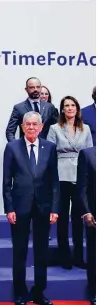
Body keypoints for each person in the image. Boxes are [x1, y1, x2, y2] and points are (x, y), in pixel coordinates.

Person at [3, 111, 59, 305]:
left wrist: (55, 208)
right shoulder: (12, 147)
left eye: (35, 124)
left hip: (44, 206)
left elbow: (55, 182)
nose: (32, 128)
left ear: (41, 127)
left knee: (41, 252)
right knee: (19, 251)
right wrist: (8, 208)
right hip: (19, 207)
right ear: (22, 126)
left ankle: (39, 292)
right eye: (28, 124)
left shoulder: (50, 147)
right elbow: (6, 182)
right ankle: (19, 292)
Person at [46, 96, 93, 269]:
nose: (70, 108)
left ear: (77, 109)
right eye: (66, 105)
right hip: (61, 175)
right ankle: (64, 257)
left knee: (80, 217)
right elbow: (49, 154)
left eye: (73, 105)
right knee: (63, 218)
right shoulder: (54, 128)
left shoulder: (86, 128)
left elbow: (89, 154)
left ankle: (79, 258)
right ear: (62, 109)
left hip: (81, 176)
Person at [5, 77, 58, 141]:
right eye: (32, 87)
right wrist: (16, 148)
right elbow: (10, 132)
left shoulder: (50, 107)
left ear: (41, 88)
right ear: (26, 89)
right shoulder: (19, 108)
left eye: (38, 87)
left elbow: (57, 129)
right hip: (25, 148)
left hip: (46, 147)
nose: (35, 89)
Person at [76, 147, 96, 305]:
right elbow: (81, 188)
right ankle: (94, 292)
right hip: (94, 215)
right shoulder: (87, 154)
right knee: (94, 255)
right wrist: (86, 212)